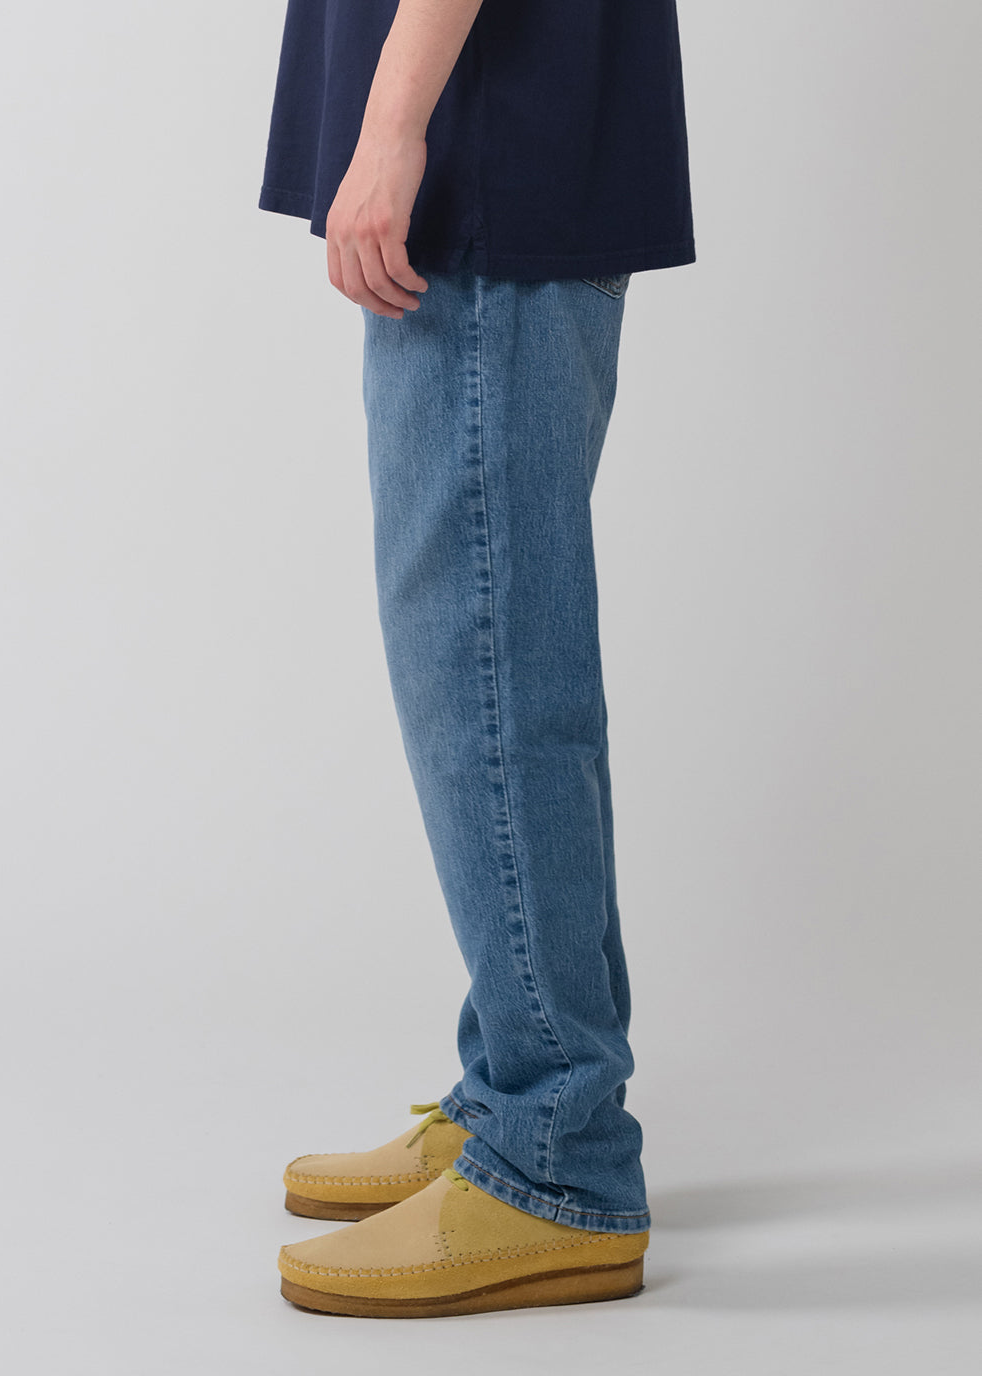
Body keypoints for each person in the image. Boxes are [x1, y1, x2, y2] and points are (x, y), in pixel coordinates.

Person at [257, 0, 695, 1319]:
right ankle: (524, 1091)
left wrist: (394, 126)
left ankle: (554, 1154)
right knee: (506, 657)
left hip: (484, 151)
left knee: (487, 667)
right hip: (499, 147)